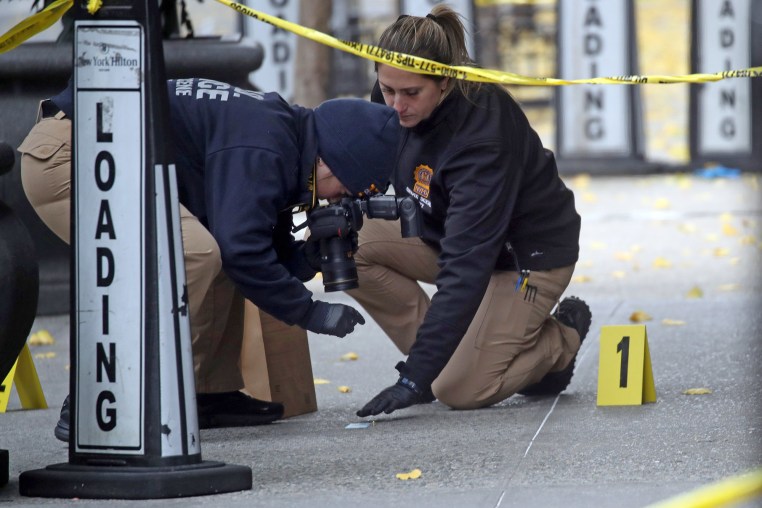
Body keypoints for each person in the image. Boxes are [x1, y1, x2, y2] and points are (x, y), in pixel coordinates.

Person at [18, 77, 401, 439]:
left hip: (99, 151)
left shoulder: (284, 138)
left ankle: (206, 394)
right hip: (72, 156)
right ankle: (101, 397)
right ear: (329, 162)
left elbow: (255, 253)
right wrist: (310, 312)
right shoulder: (264, 146)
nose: (335, 202)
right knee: (195, 253)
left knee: (213, 246)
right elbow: (242, 251)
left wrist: (309, 257)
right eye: (342, 193)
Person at [348, 5, 592, 418]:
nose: (394, 106)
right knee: (345, 245)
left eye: (410, 94)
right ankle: (453, 352)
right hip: (445, 233)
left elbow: (465, 268)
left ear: (445, 81)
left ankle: (558, 343)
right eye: (387, 90)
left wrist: (414, 378)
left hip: (522, 260)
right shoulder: (396, 93)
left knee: (459, 389)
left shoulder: (481, 140)